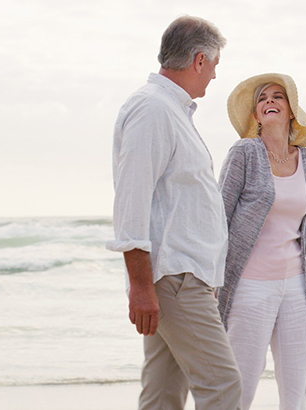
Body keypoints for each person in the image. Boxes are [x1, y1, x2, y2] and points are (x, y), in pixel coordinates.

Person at [107, 15, 243, 410]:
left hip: (180, 276)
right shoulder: (153, 109)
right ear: (200, 60)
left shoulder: (170, 110)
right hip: (174, 277)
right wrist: (141, 285)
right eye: (215, 65)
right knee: (223, 385)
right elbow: (131, 200)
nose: (215, 77)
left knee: (164, 391)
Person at [216, 73, 306, 410]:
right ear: (256, 115)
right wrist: (211, 279)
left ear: (291, 111)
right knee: (241, 386)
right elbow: (218, 219)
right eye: (262, 99)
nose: (269, 101)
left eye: (277, 97)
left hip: (295, 290)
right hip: (248, 287)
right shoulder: (244, 153)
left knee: (296, 390)